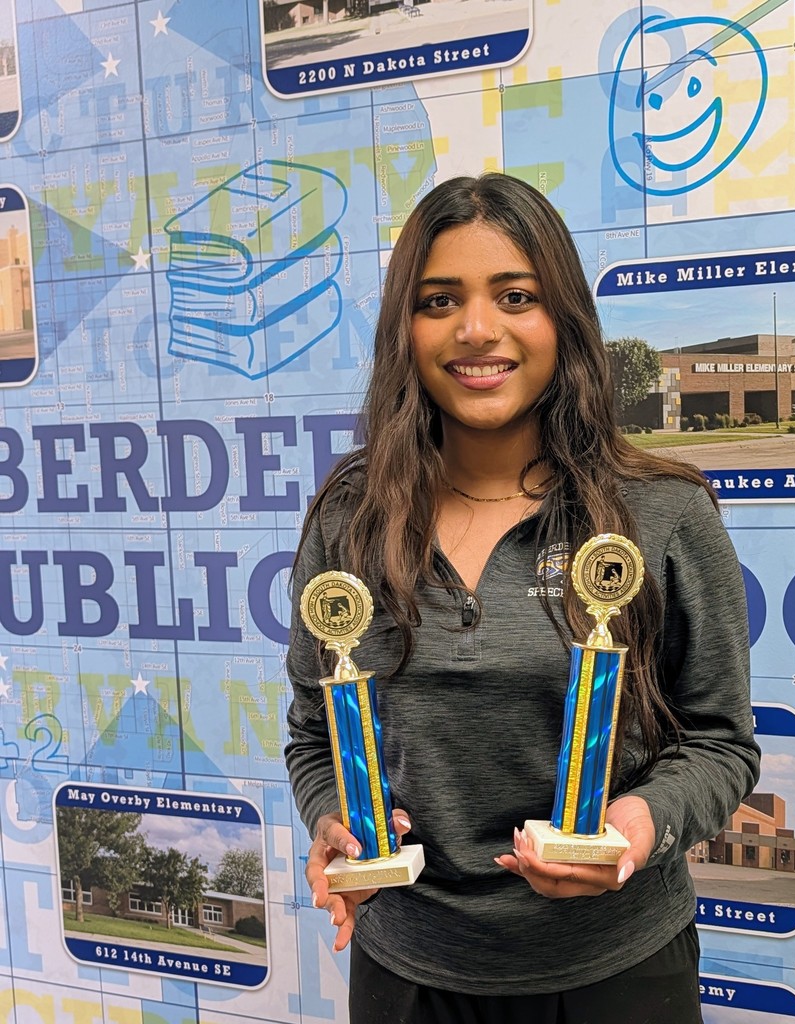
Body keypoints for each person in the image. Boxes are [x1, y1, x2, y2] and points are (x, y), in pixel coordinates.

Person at [285, 172, 759, 1023]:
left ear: (563, 320)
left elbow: (720, 742)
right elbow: (314, 734)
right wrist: (334, 824)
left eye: (515, 296)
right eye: (439, 300)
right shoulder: (348, 519)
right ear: (403, 328)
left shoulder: (663, 512)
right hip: (407, 974)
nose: (477, 329)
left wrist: (639, 825)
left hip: (619, 971)